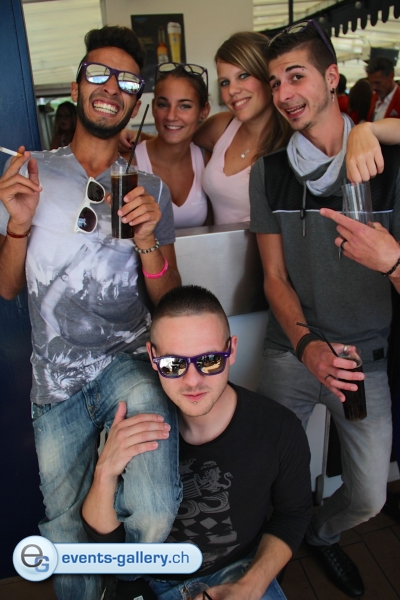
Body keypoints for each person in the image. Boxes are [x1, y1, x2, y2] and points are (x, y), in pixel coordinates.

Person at [0, 25, 182, 600]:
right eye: (98, 74)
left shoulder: (150, 188)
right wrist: (18, 224)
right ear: (77, 87)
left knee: (152, 513)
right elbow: (7, 287)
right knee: (64, 534)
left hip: (129, 363)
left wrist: (148, 239)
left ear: (135, 99)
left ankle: (125, 584)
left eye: (126, 80)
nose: (111, 87)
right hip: (55, 383)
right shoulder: (31, 172)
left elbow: (168, 301)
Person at [249, 19, 400, 598]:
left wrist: (391, 261)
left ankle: (320, 532)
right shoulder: (270, 172)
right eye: (275, 82)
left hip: (365, 359)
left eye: (297, 76)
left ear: (332, 77)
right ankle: (271, 553)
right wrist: (307, 345)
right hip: (292, 348)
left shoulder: (389, 162)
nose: (284, 93)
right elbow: (273, 277)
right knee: (263, 471)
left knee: (368, 496)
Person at [82, 285, 312, 600]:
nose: (192, 381)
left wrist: (251, 586)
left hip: (239, 570)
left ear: (231, 350)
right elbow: (107, 544)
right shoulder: (134, 424)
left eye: (210, 360)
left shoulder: (279, 428)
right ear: (153, 357)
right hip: (149, 580)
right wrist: (104, 473)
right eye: (173, 364)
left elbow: (293, 514)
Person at [120, 32, 291, 225]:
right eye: (225, 82)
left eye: (243, 76)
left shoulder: (290, 141)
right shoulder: (223, 126)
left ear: (267, 76)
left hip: (263, 243)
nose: (232, 90)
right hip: (217, 243)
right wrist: (138, 136)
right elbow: (177, 137)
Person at [133, 63, 211, 228]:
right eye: (163, 104)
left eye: (184, 106)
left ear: (204, 111)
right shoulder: (130, 162)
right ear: (153, 107)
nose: (171, 116)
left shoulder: (207, 161)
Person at [366, 56, 400, 121]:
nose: (374, 87)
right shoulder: (375, 97)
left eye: (378, 83)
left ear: (391, 76)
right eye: (371, 83)